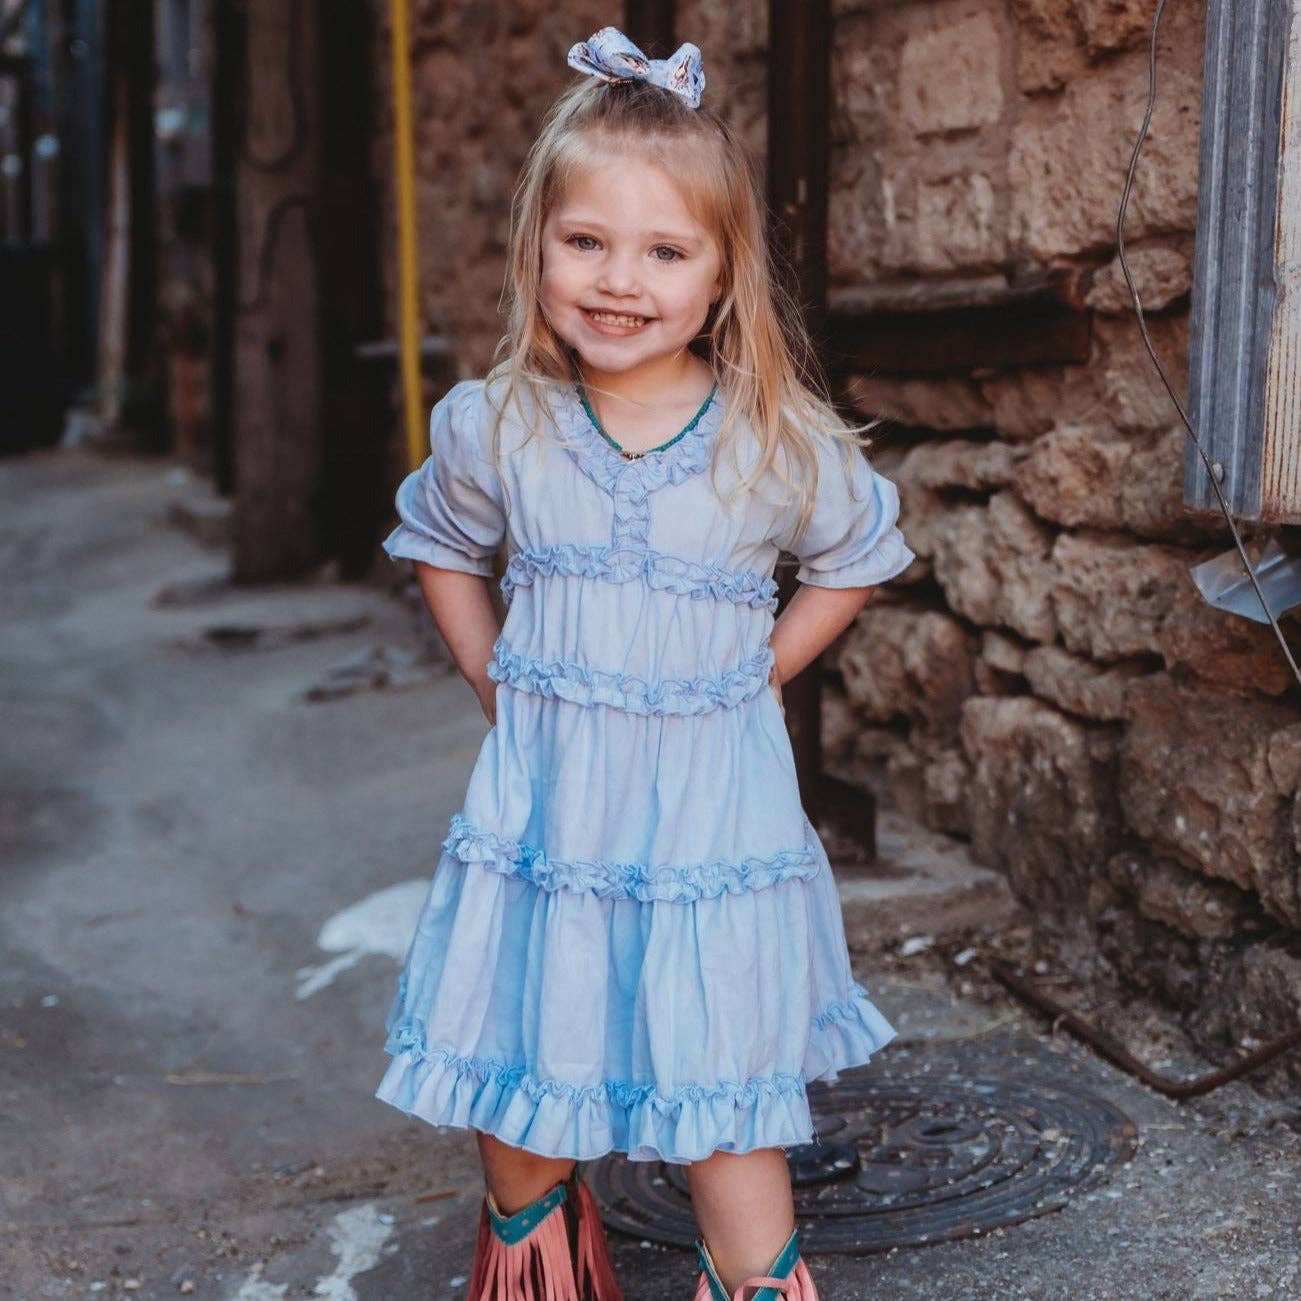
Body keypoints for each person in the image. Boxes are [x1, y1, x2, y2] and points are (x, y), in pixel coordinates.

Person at [375, 25, 916, 1301]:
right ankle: (544, 1266)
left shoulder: (770, 439)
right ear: (538, 250)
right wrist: (494, 678)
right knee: (521, 1087)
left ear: (721, 277)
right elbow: (440, 543)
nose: (620, 280)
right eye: (586, 243)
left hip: (705, 838)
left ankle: (753, 1281)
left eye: (665, 252)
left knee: (725, 1105)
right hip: (547, 818)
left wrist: (754, 670)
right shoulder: (498, 423)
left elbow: (855, 555)